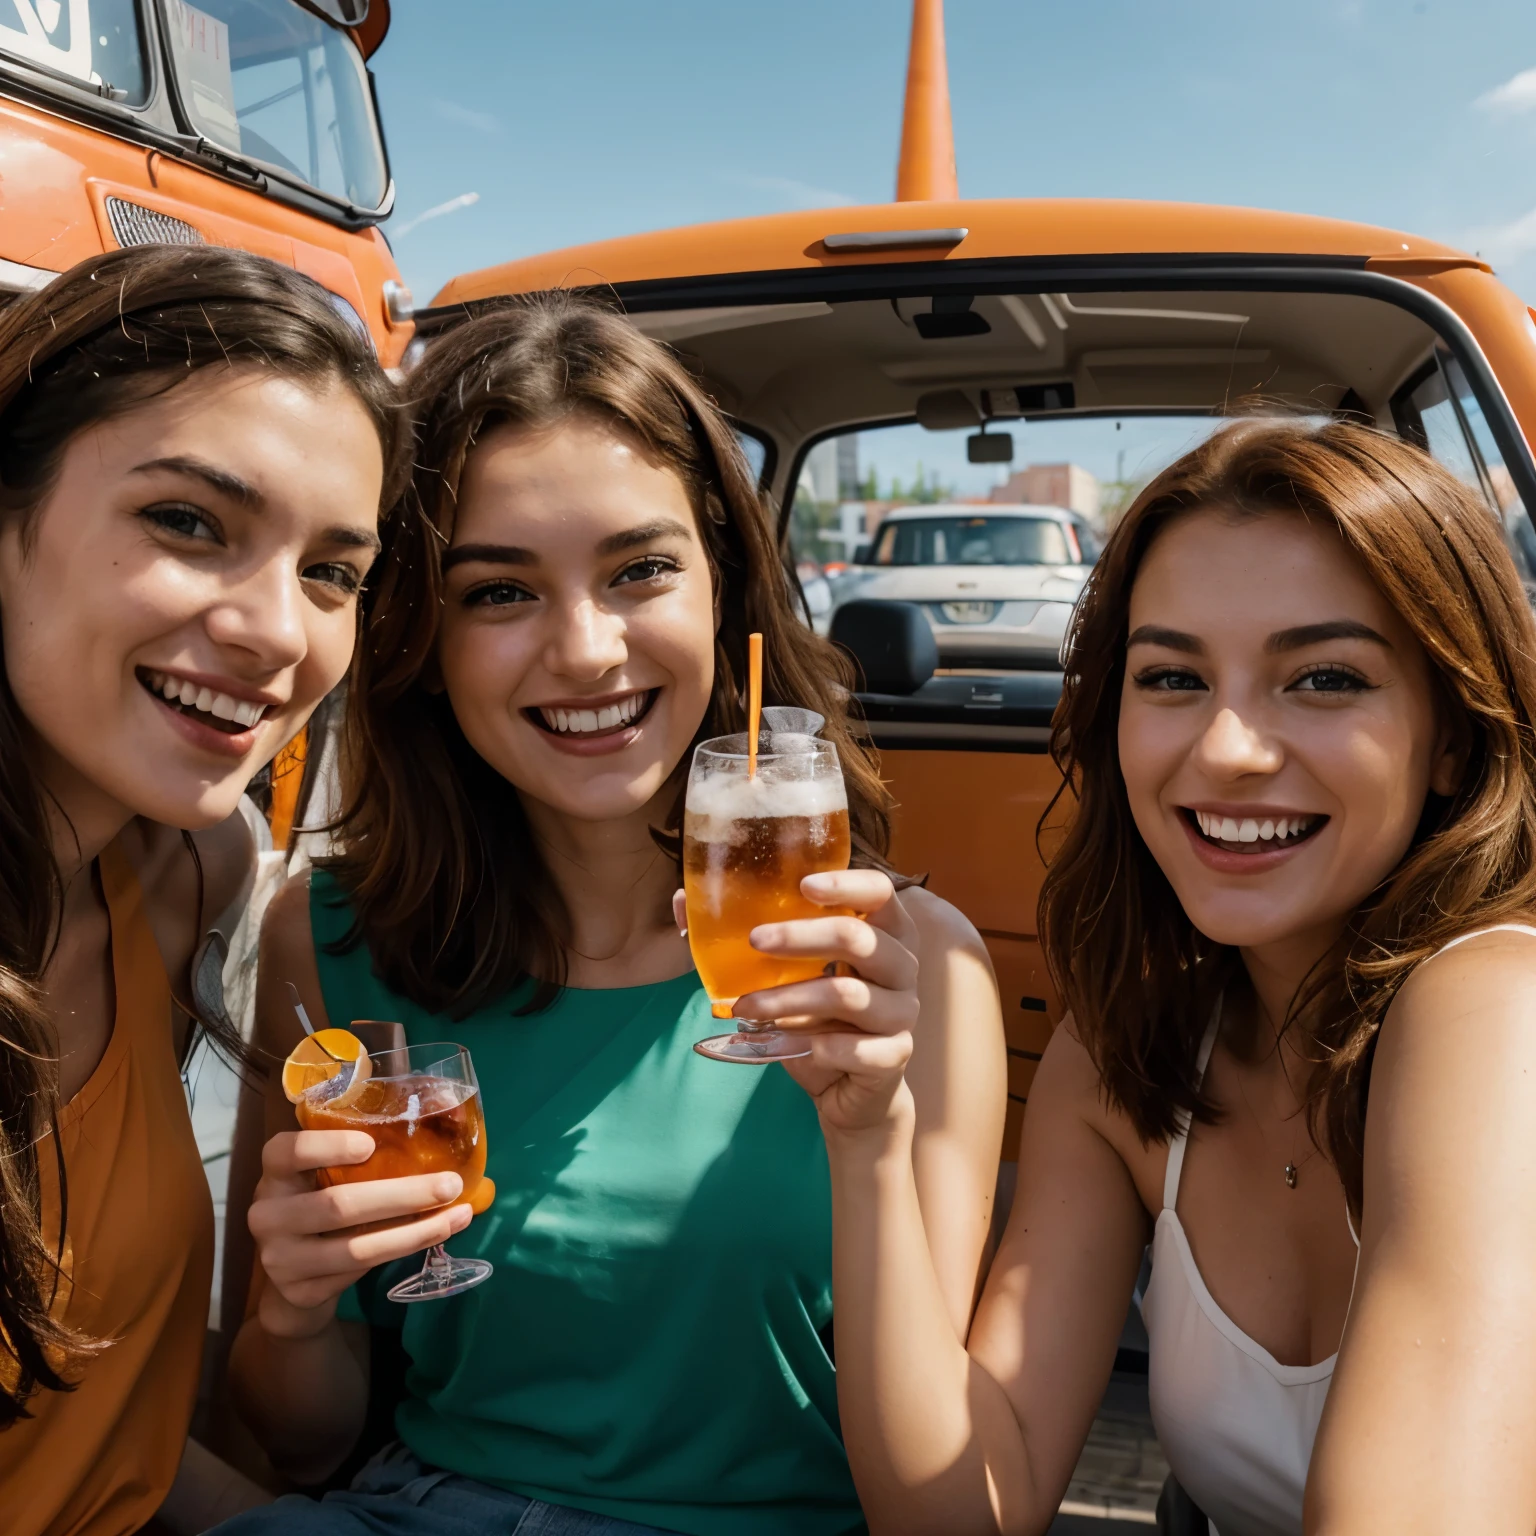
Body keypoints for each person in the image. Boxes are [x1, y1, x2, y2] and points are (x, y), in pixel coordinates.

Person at [218, 294, 1005, 1536]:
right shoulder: (324, 942)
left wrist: (874, 1141)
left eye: (640, 570)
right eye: (498, 593)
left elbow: (942, 1509)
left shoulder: (908, 973)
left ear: (724, 591)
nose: (585, 651)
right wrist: (292, 1309)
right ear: (422, 637)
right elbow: (299, 1442)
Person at [794, 419, 1536, 1536]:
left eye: (1325, 678)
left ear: (1449, 736)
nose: (1229, 749)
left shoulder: (1495, 1002)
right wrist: (868, 1143)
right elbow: (968, 1510)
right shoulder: (1131, 1043)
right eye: (1173, 676)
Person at [0, 243, 399, 1536]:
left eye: (332, 572)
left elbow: (111, 1434)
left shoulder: (184, 876)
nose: (280, 632)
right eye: (187, 522)